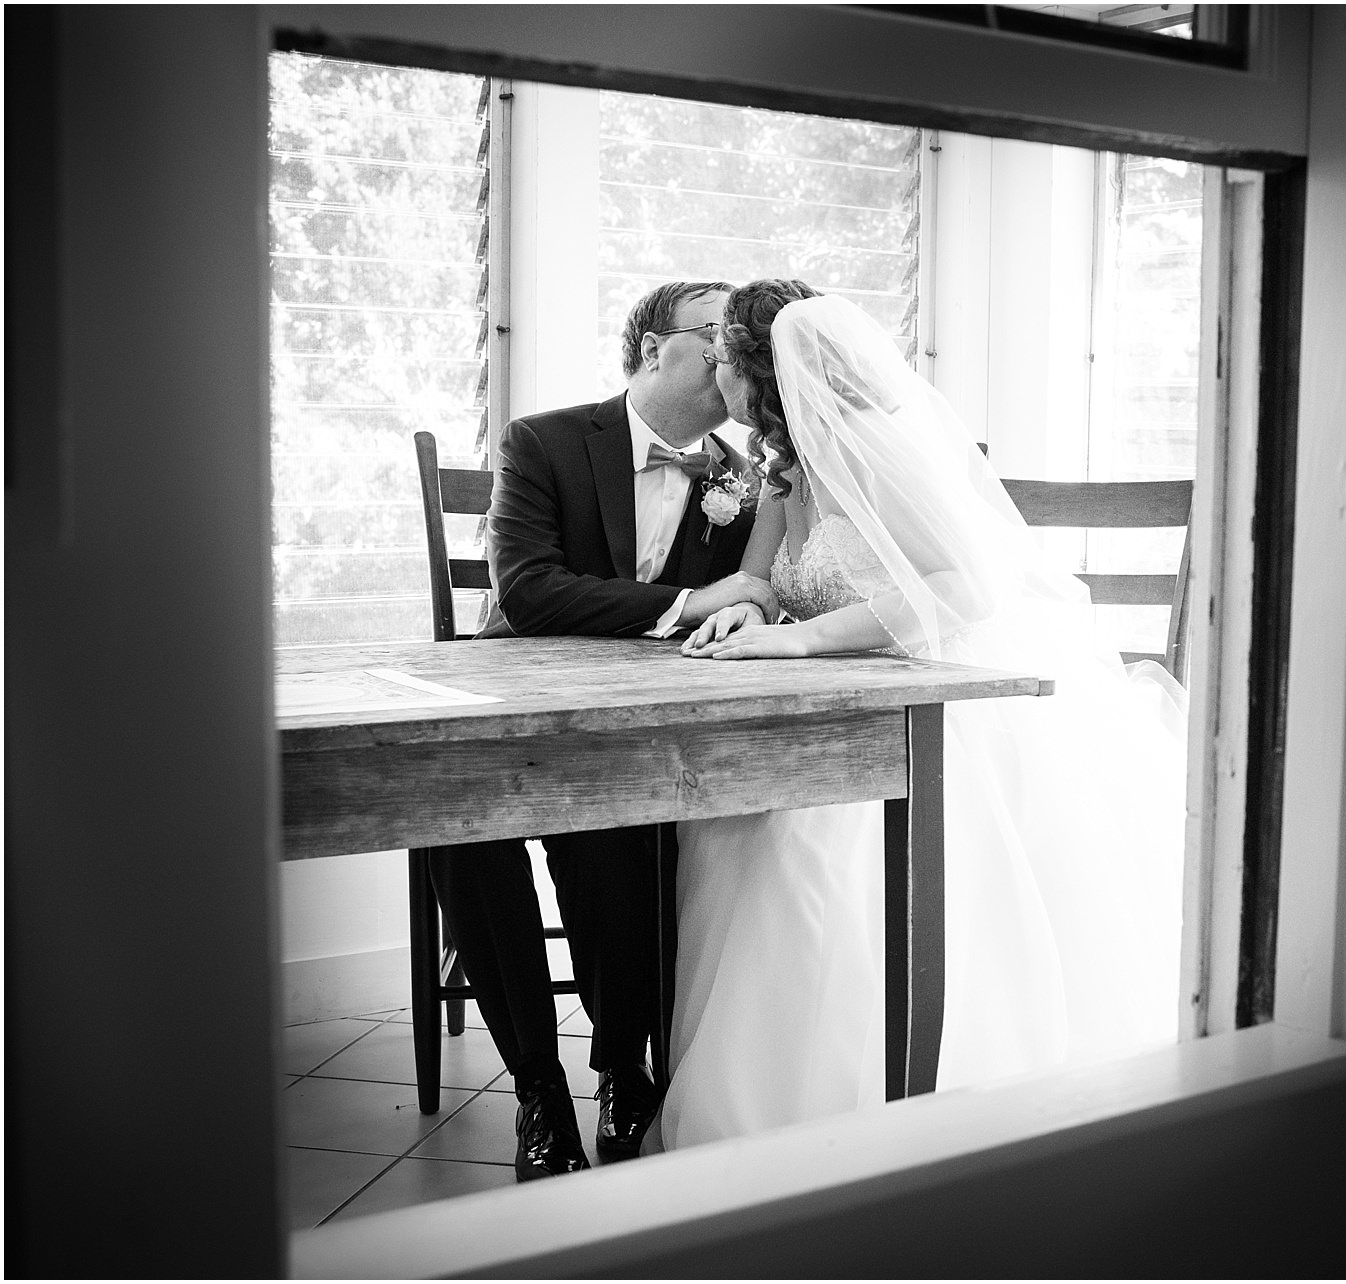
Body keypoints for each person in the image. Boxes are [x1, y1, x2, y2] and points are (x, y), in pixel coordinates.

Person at [659, 279, 1189, 1147]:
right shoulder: (785, 461)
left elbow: (966, 587)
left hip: (937, 701)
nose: (716, 378)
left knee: (810, 848)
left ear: (763, 372)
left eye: (725, 362)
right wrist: (748, 610)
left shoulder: (868, 445)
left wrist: (804, 641)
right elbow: (763, 574)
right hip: (838, 701)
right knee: (731, 821)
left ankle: (872, 1103)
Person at [433, 280, 776, 1180]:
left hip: (626, 728)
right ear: (655, 349)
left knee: (623, 832)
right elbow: (530, 592)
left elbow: (747, 604)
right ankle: (537, 1091)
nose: (730, 350)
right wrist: (691, 599)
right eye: (714, 334)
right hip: (506, 709)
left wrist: (739, 611)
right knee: (465, 839)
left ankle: (623, 1069)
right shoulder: (541, 440)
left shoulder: (741, 477)